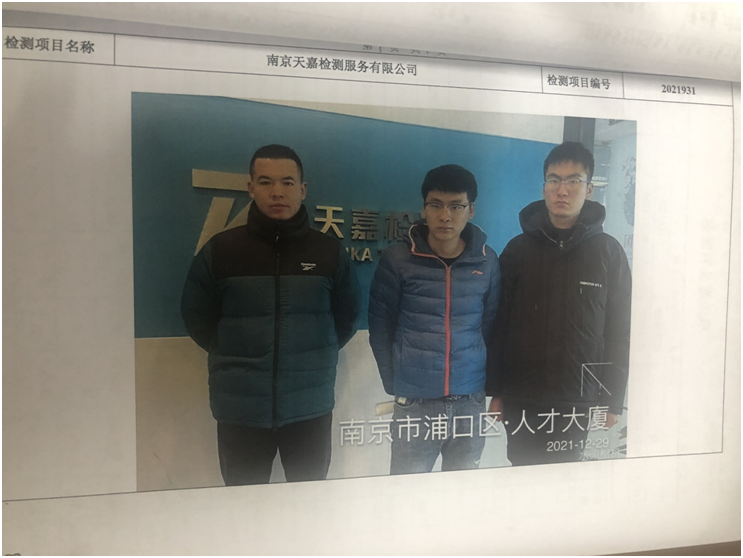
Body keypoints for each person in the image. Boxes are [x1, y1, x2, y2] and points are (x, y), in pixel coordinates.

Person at [181, 144, 361, 485]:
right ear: (251, 187)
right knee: (245, 505)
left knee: (308, 504)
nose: (277, 192)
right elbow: (196, 315)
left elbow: (347, 316)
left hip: (309, 408)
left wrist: (313, 353)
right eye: (266, 182)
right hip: (241, 412)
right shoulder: (221, 250)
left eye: (287, 182)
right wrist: (230, 349)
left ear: (302, 189)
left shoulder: (327, 252)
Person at [487, 141, 632, 466]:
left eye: (573, 181)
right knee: (522, 476)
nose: (562, 190)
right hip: (522, 395)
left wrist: (611, 400)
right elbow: (499, 324)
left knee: (565, 479)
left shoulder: (609, 253)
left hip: (577, 400)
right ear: (544, 188)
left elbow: (620, 331)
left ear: (589, 189)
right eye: (554, 180)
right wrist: (496, 391)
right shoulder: (517, 250)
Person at [368, 164, 500, 474]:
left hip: (469, 401)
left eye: (456, 206)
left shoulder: (487, 260)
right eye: (436, 205)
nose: (445, 216)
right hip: (416, 402)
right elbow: (381, 326)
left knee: (461, 493)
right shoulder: (397, 259)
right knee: (408, 493)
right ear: (424, 208)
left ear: (471, 210)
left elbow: (490, 324)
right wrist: (396, 382)